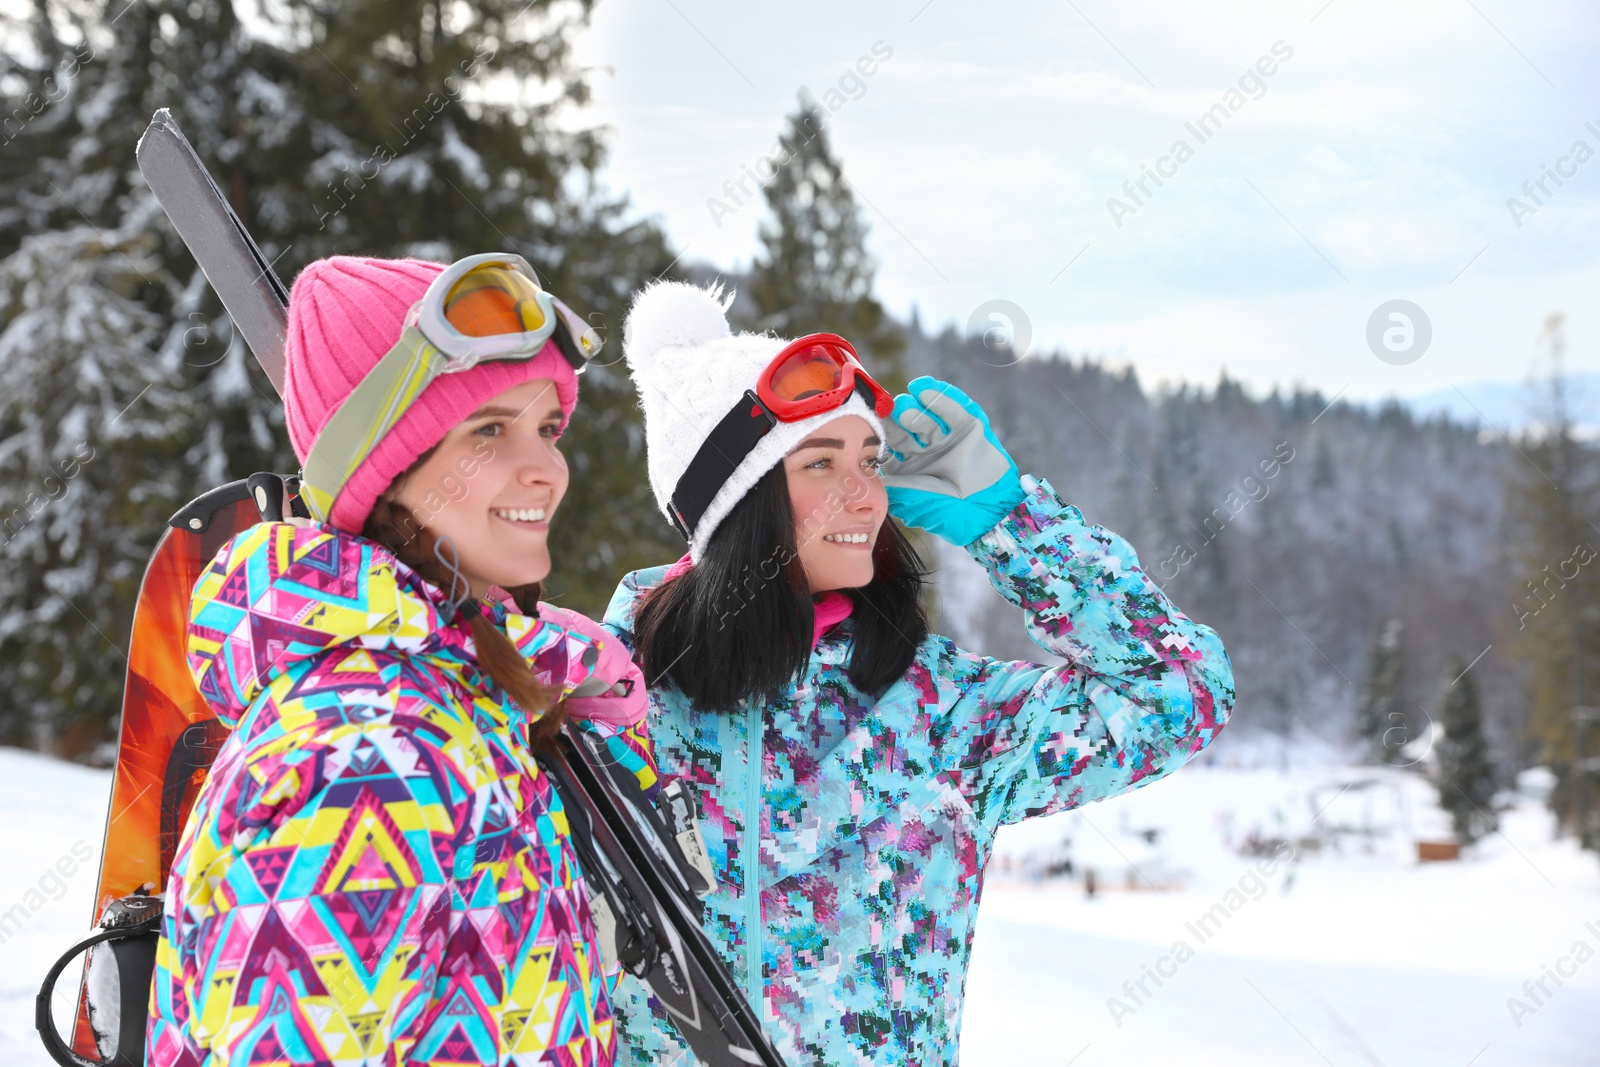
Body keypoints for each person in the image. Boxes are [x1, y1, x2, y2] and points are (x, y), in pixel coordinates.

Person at [602, 281, 1235, 1065]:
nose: (865, 494)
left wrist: (1013, 524)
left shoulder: (935, 712)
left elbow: (1179, 688)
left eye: (869, 459)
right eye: (821, 463)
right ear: (733, 503)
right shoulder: (601, 705)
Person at [146, 255, 651, 1067]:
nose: (547, 468)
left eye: (546, 426)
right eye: (488, 430)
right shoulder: (365, 760)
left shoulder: (446, 711)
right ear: (384, 472)